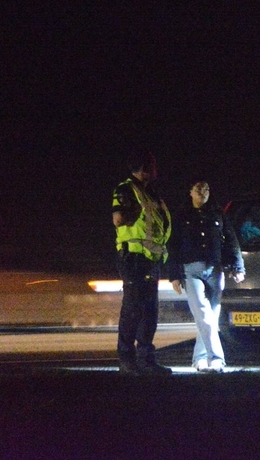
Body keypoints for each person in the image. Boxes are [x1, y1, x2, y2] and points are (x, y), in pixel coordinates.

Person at [168, 179, 246, 372]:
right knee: (203, 314)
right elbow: (173, 245)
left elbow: (231, 239)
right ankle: (217, 358)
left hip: (215, 269)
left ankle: (200, 358)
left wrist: (238, 266)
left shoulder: (217, 213)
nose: (203, 192)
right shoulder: (181, 215)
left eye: (206, 189)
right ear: (190, 192)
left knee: (211, 316)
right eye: (198, 189)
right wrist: (174, 275)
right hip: (190, 270)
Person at [111, 149, 173, 375]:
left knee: (150, 312)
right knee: (132, 310)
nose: (156, 170)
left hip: (151, 259)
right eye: (152, 166)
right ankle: (127, 360)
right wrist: (132, 212)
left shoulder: (151, 192)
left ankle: (146, 360)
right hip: (134, 258)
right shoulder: (126, 189)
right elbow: (118, 219)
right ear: (144, 168)